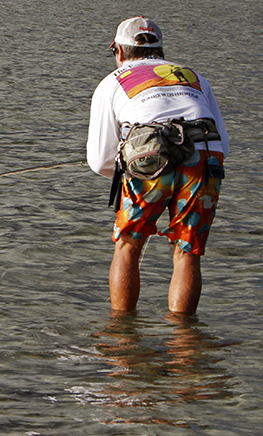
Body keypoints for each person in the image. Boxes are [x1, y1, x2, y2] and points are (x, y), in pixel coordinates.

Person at [87, 16, 229, 316]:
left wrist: (134, 172)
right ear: (161, 52)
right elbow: (223, 147)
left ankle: (124, 337)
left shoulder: (113, 81)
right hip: (205, 156)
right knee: (188, 252)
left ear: (120, 53)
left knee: (128, 246)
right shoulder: (195, 78)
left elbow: (100, 159)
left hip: (148, 158)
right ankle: (184, 343)